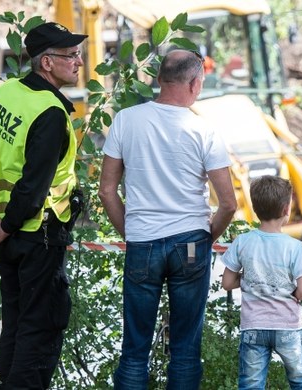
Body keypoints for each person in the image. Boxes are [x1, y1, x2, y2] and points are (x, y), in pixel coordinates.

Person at [98, 49, 237, 389]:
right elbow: (229, 204)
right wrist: (205, 239)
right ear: (195, 83)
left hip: (143, 242)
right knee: (186, 351)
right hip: (190, 244)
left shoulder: (125, 120)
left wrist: (132, 232)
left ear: (159, 80)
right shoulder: (204, 130)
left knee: (134, 351)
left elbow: (106, 191)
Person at [0, 21, 87, 389]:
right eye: (72, 55)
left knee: (16, 325)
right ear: (47, 63)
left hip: (8, 237)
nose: (79, 62)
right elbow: (33, 189)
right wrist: (6, 224)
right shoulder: (49, 112)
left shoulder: (3, 95)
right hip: (38, 236)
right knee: (40, 330)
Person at [221, 175, 302, 390]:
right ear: (286, 209)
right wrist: (293, 294)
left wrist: (247, 279)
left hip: (253, 326)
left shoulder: (243, 242)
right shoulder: (295, 247)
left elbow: (227, 283)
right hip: (289, 327)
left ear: (255, 208)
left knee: (251, 385)